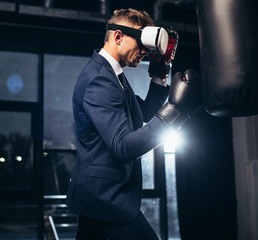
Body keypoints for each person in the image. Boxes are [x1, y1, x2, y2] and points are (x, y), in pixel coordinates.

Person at [66, 8, 201, 240]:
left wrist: (160, 72)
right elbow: (124, 147)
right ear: (118, 37)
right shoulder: (99, 79)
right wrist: (176, 112)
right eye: (141, 43)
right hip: (106, 200)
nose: (145, 53)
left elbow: (145, 112)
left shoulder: (113, 75)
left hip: (97, 197)